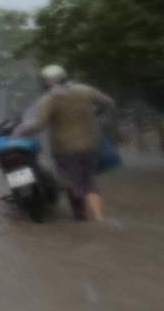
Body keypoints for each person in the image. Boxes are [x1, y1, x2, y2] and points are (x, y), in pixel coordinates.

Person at [15, 65, 115, 221]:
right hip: (90, 144)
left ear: (44, 82)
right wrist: (95, 113)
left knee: (72, 182)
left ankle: (80, 217)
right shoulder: (85, 90)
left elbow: (39, 125)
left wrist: (20, 131)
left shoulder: (49, 99)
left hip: (65, 148)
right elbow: (108, 103)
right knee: (88, 181)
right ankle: (99, 217)